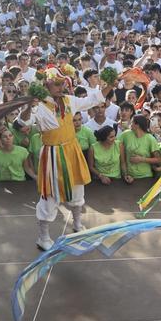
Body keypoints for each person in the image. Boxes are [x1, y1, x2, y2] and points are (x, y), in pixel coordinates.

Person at [19, 65, 104, 248]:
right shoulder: (39, 105)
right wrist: (29, 105)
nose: (60, 87)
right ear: (46, 85)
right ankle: (43, 237)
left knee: (77, 189)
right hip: (52, 155)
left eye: (61, 83)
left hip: (72, 151)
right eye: (55, 84)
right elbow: (23, 122)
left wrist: (110, 85)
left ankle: (77, 224)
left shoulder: (68, 100)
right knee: (50, 196)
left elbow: (91, 100)